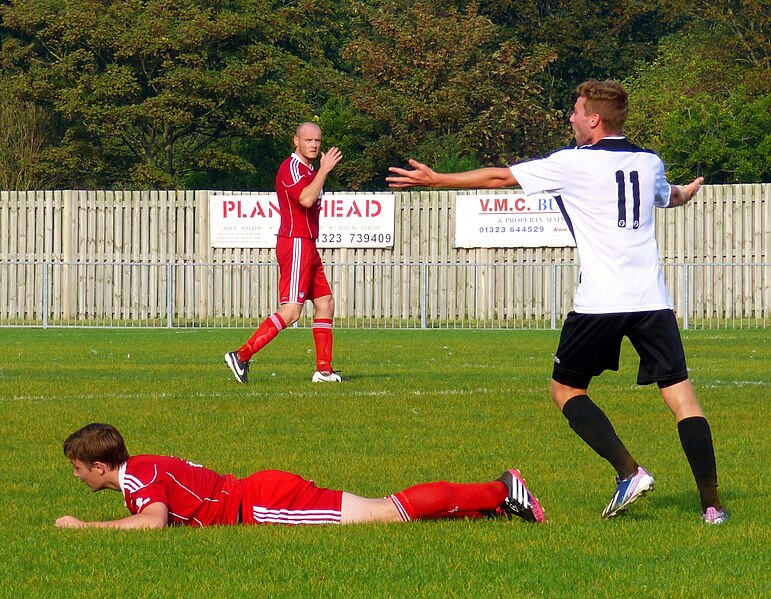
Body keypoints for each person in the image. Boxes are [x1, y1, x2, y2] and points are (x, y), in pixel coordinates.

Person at [386, 80, 727, 524]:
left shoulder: (572, 163)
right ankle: (713, 506)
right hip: (652, 301)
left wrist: (437, 179)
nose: (571, 118)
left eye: (576, 111)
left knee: (565, 389)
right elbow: (672, 196)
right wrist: (687, 192)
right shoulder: (649, 162)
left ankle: (630, 471)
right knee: (684, 400)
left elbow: (500, 177)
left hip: (600, 302)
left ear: (595, 120)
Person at [55, 423, 546, 529]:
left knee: (385, 512)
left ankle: (502, 489)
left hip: (264, 503)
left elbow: (155, 522)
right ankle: (496, 501)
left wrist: (83, 529)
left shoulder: (137, 480)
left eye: (78, 470)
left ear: (99, 467)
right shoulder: (142, 469)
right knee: (383, 509)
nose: (77, 477)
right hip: (261, 492)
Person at [225, 122, 343, 384]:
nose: (313, 145)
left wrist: (320, 171)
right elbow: (305, 199)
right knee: (291, 312)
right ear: (296, 141)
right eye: (308, 140)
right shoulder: (290, 168)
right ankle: (241, 355)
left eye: (317, 141)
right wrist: (324, 170)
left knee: (326, 304)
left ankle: (324, 371)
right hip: (296, 242)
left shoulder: (310, 170)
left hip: (309, 244)